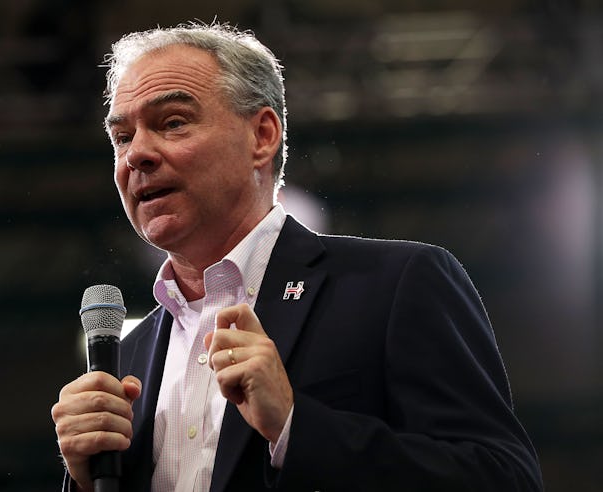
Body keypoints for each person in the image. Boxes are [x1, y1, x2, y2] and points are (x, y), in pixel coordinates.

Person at [51, 22, 544, 492]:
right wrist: (88, 480)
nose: (136, 153)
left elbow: (504, 479)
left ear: (262, 136)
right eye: (121, 137)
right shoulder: (132, 357)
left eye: (173, 122)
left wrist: (294, 425)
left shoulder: (396, 286)